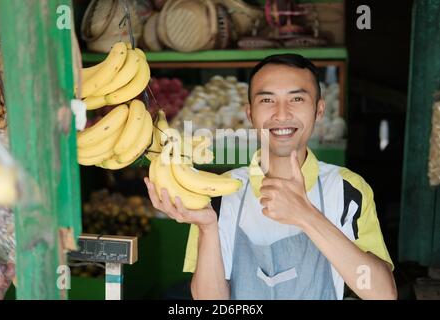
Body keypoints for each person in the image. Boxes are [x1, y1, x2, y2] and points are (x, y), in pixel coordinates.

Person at [144, 54, 397, 300]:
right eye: (267, 101)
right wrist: (208, 228)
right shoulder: (219, 195)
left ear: (319, 110)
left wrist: (306, 216)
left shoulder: (345, 189)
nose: (282, 114)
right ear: (250, 113)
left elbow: (383, 294)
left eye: (296, 99)